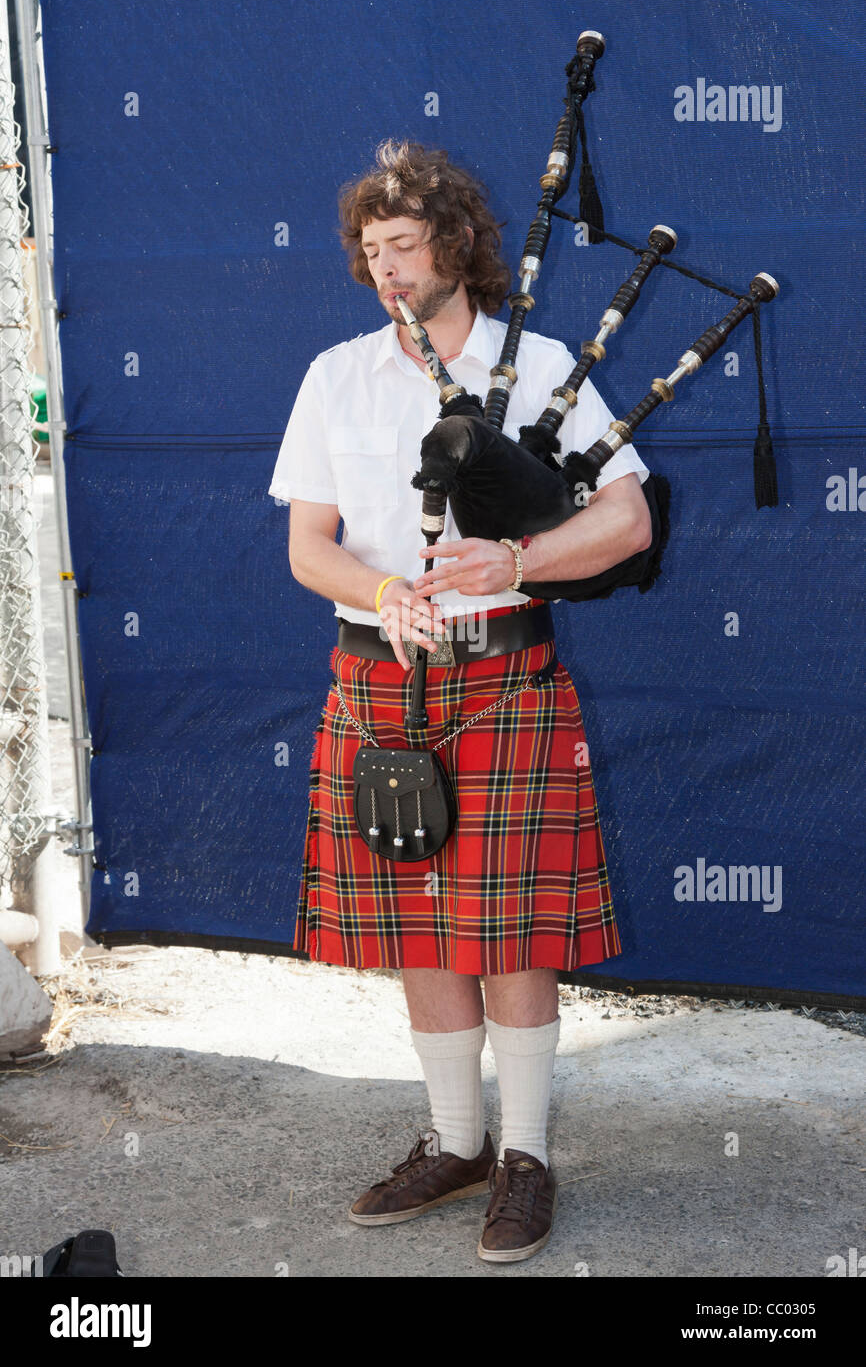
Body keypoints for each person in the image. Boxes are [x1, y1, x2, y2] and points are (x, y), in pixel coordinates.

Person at [268, 139, 652, 1263]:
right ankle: (455, 1140)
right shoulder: (336, 374)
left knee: (508, 924)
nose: (385, 266)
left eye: (403, 244)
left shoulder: (534, 368)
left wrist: (518, 566)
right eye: (369, 249)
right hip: (376, 678)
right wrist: (384, 588)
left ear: (456, 249)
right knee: (418, 927)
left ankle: (524, 1155)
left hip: (502, 675)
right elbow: (307, 547)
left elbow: (625, 521)